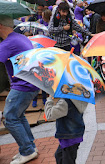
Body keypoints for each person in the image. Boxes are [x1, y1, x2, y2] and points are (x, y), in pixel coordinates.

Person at [0, 15, 39, 163]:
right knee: (18, 115)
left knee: (9, 118)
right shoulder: (19, 37)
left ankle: (27, 151)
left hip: (23, 85)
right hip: (30, 83)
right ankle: (30, 147)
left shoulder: (8, 43)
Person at [44, 95, 88, 163]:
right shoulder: (79, 97)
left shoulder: (65, 102)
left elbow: (49, 115)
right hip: (75, 134)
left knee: (67, 160)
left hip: (68, 136)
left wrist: (49, 100)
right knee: (59, 156)